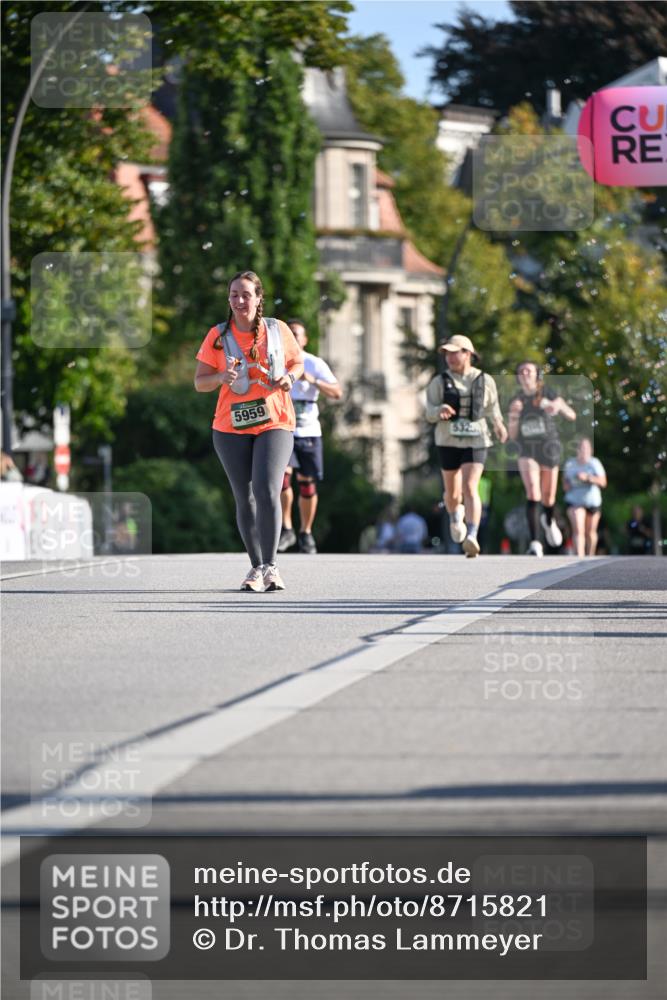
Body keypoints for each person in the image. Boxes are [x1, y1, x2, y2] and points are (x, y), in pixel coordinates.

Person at [194, 271, 303, 592]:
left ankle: (271, 567)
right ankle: (256, 567)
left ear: (258, 298)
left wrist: (289, 379)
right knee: (245, 498)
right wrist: (220, 378)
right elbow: (200, 382)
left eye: (245, 295)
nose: (239, 301)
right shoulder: (217, 335)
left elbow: (297, 363)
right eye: (234, 295)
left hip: (275, 421)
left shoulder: (277, 329)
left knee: (268, 489)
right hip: (230, 427)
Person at [425, 334, 508, 558]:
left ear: (468, 354)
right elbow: (429, 412)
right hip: (447, 440)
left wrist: (499, 425)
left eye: (455, 353)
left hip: (476, 439)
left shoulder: (485, 380)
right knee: (452, 494)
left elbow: (493, 408)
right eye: (447, 354)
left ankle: (472, 535)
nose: (450, 358)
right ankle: (455, 515)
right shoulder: (439, 382)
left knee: (470, 486)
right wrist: (439, 410)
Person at [278, 319, 341, 554]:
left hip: (309, 431)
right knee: (282, 477)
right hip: (282, 428)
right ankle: (286, 528)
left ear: (304, 340)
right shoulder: (276, 361)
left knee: (307, 482)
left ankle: (305, 532)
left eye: (297, 334)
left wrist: (312, 380)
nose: (293, 338)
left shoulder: (314, 363)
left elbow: (337, 392)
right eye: (289, 334)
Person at [508, 360, 576, 557]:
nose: (524, 374)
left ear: (537, 374)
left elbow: (571, 415)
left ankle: (549, 521)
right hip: (527, 449)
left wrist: (557, 406)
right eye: (521, 371)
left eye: (528, 370)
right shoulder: (516, 400)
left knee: (548, 497)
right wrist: (514, 416)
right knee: (533, 492)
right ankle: (535, 543)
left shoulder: (548, 392)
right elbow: (512, 435)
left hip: (549, 447)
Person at [562, 437, 607, 557]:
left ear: (590, 450)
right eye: (581, 448)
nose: (583, 450)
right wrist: (569, 484)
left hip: (592, 502)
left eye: (586, 448)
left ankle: (590, 556)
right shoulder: (570, 464)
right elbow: (564, 484)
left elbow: (603, 482)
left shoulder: (594, 463)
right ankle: (580, 558)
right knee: (578, 530)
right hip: (574, 501)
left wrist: (588, 478)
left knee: (590, 532)